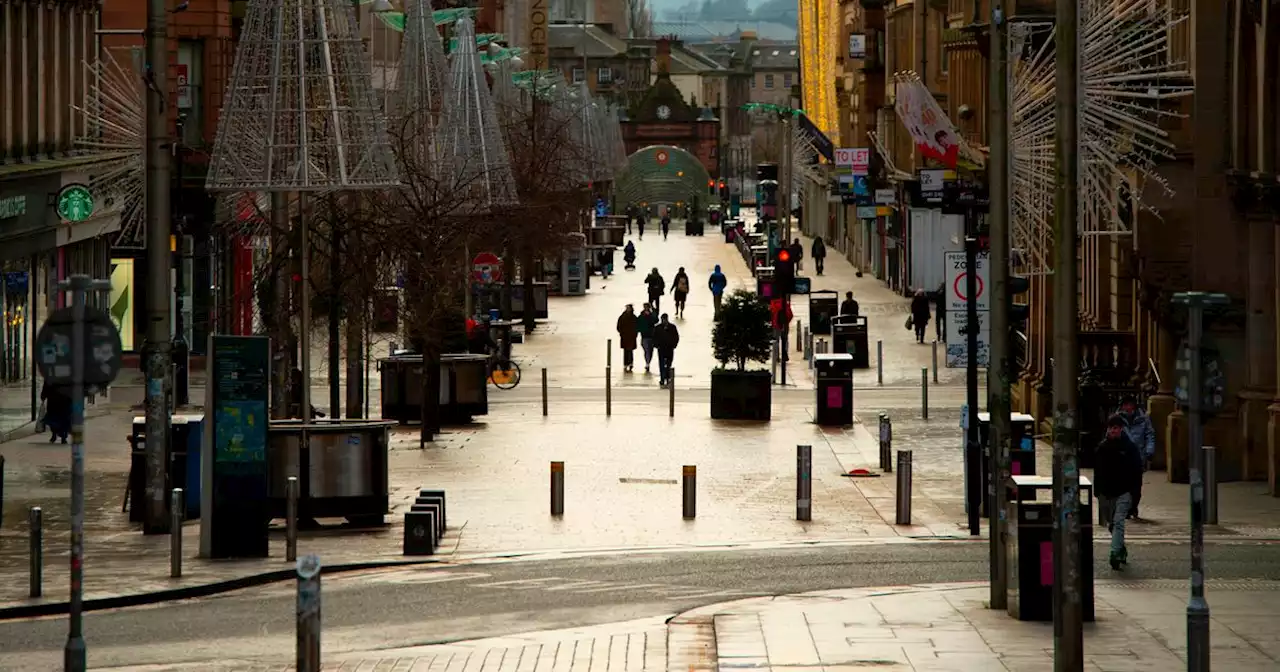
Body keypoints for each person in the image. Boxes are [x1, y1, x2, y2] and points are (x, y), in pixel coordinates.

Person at [1094, 414, 1145, 570]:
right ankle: (1121, 548)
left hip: (1124, 491)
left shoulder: (1129, 448)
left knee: (1118, 522)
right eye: (1111, 428)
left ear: (1121, 429)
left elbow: (1137, 472)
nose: (1113, 431)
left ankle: (1115, 553)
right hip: (1106, 493)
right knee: (1112, 524)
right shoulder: (1102, 448)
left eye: (1116, 428)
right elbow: (1097, 472)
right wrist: (1097, 492)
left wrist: (1135, 495)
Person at [1116, 394, 1156, 519]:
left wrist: (1149, 450)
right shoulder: (1118, 419)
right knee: (1124, 485)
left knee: (1136, 487)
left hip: (1138, 457)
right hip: (1123, 458)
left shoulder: (1143, 418)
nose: (1128, 408)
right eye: (1125, 405)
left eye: (1130, 404)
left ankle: (1133, 507)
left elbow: (1150, 435)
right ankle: (1126, 508)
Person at [653, 312, 680, 387]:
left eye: (665, 319)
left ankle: (668, 378)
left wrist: (674, 345)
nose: (664, 321)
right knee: (661, 364)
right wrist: (656, 345)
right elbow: (654, 337)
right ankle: (662, 378)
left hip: (669, 348)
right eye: (662, 320)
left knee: (668, 364)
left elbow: (676, 337)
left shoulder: (672, 327)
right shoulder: (658, 327)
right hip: (661, 348)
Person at [40, 380, 71, 444]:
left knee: (54, 418)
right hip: (63, 400)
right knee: (63, 419)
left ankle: (55, 435)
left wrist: (43, 395)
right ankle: (63, 437)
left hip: (54, 400)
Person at [616, 304, 638, 373]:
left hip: (631, 336)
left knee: (630, 350)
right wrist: (621, 333)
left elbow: (636, 327)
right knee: (626, 351)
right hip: (625, 336)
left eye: (629, 308)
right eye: (627, 308)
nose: (628, 309)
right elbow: (618, 326)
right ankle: (625, 364)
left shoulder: (634, 317)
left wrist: (635, 334)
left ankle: (630, 363)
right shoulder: (622, 317)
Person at [770, 296, 793, 362]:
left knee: (776, 342)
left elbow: (770, 314)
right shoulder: (785, 303)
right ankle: (784, 355)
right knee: (785, 340)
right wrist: (786, 322)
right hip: (784, 326)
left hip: (776, 326)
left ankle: (776, 357)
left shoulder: (773, 303)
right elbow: (790, 315)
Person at [637, 303, 658, 373]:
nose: (646, 308)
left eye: (647, 307)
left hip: (652, 336)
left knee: (651, 351)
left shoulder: (652, 315)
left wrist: (653, 312)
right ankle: (647, 363)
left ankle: (648, 362)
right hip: (644, 336)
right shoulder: (641, 315)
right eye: (644, 307)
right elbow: (638, 323)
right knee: (646, 350)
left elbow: (656, 320)